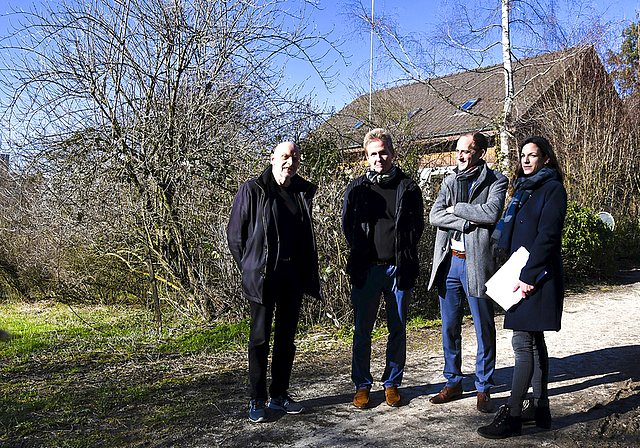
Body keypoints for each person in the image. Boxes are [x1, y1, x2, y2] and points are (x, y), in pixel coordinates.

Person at [478, 135, 567, 439]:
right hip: (522, 273)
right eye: (523, 155)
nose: (526, 160)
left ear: (546, 159)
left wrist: (528, 276)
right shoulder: (525, 191)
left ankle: (513, 413)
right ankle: (540, 408)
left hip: (535, 277)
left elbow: (547, 236)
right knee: (533, 341)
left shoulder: (552, 189)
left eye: (532, 155)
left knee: (523, 344)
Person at [227, 141, 321, 423]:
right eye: (284, 156)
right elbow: (235, 235)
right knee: (259, 339)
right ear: (272, 159)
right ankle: (257, 399)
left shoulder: (301, 192)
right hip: (264, 277)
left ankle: (278, 395)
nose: (289, 162)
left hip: (293, 276)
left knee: (285, 339)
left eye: (294, 157)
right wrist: (249, 266)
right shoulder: (253, 189)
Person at [342, 128, 424, 409]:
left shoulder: (409, 187)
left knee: (397, 329)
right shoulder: (356, 189)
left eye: (383, 152)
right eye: (373, 154)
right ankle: (362, 385)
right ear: (366, 157)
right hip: (367, 271)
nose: (379, 158)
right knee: (362, 330)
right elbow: (347, 227)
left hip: (399, 270)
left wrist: (403, 251)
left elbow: (417, 227)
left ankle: (392, 383)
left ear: (392, 152)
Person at [428, 132, 508, 413]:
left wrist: (457, 209)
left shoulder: (496, 181)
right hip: (449, 262)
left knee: (484, 327)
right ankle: (453, 381)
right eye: (458, 150)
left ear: (480, 153)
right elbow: (435, 216)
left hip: (477, 263)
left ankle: (484, 387)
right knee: (449, 327)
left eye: (466, 151)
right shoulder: (449, 181)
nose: (459, 155)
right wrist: (464, 220)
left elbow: (491, 214)